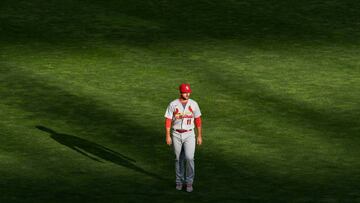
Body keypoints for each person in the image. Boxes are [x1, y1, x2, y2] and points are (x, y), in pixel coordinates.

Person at [164, 83, 202, 192]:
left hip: (190, 134)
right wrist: (167, 136)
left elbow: (198, 120)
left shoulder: (194, 104)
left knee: (190, 158)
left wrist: (199, 135)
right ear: (180, 92)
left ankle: (189, 182)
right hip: (176, 134)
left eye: (188, 92)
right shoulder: (173, 104)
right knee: (178, 159)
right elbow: (168, 120)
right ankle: (179, 181)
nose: (187, 94)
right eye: (185, 92)